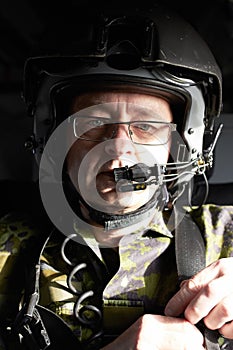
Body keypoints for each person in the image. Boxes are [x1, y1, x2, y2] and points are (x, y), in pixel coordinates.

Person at [0, 1, 233, 350]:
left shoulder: (226, 238)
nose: (119, 148)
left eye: (145, 125)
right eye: (94, 124)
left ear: (180, 142)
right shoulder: (6, 251)